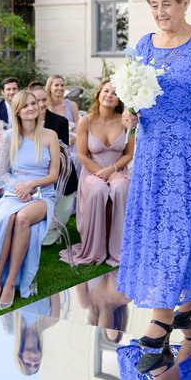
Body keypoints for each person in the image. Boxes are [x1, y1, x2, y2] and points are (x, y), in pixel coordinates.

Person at [117, 0, 191, 362]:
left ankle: (159, 322)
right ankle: (189, 304)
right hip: (153, 154)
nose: (161, 12)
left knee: (183, 229)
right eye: (154, 5)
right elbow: (134, 97)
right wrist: (130, 114)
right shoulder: (143, 45)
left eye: (167, 4)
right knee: (158, 231)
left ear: (185, 2)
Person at [0, 90, 60, 310]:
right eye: (26, 105)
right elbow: (2, 175)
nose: (31, 108)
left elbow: (53, 175)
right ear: (17, 111)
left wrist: (31, 185)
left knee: (22, 218)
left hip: (42, 194)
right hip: (14, 192)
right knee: (8, 217)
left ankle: (11, 283)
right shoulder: (9, 137)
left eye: (34, 104)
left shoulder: (49, 136)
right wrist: (20, 188)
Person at [60, 79, 132, 266]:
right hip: (93, 172)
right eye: (106, 91)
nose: (109, 95)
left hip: (117, 169)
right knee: (99, 189)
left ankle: (119, 250)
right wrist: (103, 172)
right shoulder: (86, 121)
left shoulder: (125, 120)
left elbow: (129, 153)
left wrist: (113, 170)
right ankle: (96, 249)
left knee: (121, 187)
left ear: (119, 99)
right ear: (98, 94)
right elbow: (83, 155)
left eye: (115, 93)